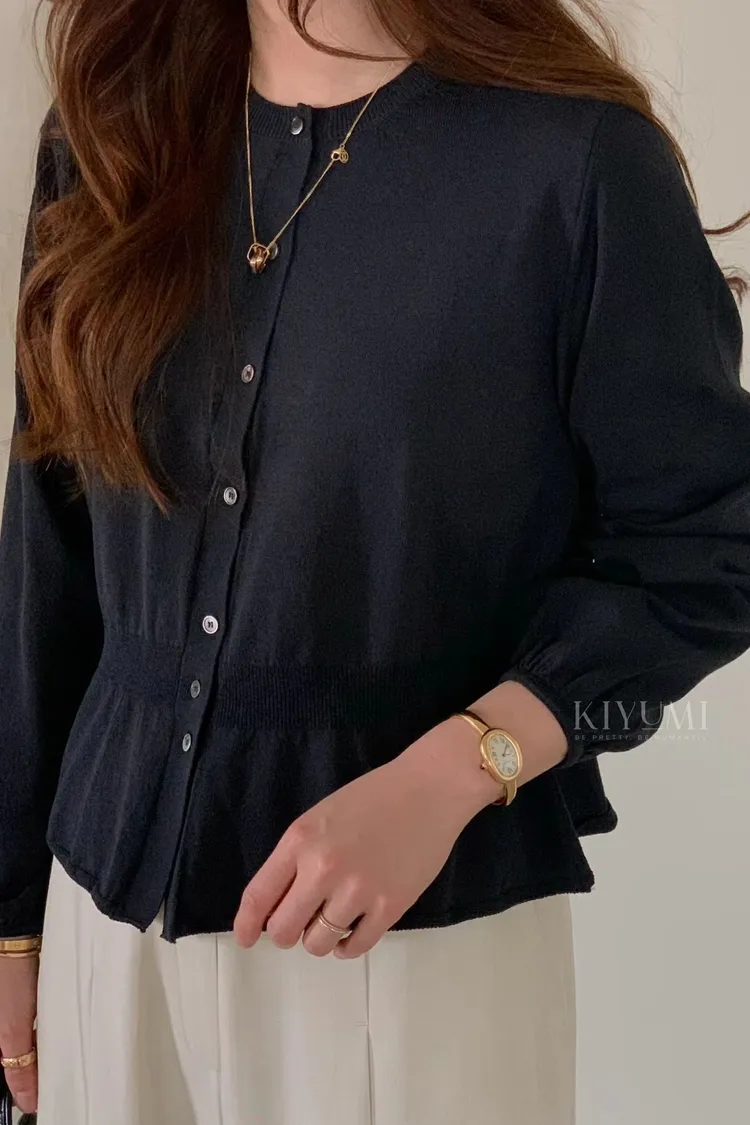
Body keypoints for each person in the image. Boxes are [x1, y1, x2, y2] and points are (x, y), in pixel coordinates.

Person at [1, 0, 749, 1121]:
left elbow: (708, 547)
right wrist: (11, 914)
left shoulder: (575, 165)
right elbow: (46, 546)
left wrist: (456, 771)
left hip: (411, 946)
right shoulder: (108, 131)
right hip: (104, 929)